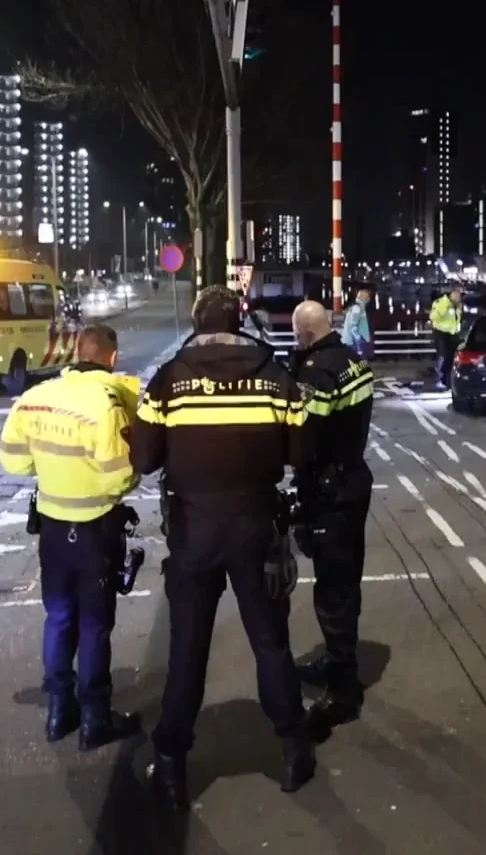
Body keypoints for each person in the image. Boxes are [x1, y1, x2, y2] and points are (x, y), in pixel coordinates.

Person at [132, 285, 314, 808]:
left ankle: (170, 764)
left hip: (192, 529)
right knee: (270, 642)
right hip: (255, 524)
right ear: (240, 320)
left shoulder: (169, 380)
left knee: (187, 649)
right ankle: (293, 747)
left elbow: (144, 458)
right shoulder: (276, 376)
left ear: (196, 321)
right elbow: (301, 449)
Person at [0, 323, 143, 750]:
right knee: (95, 625)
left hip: (52, 529)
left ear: (76, 352)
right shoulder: (107, 403)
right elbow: (118, 478)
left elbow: (13, 463)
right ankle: (95, 718)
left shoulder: (35, 398)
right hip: (96, 528)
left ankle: (60, 712)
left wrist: (52, 471)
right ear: (112, 358)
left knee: (59, 618)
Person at [287, 300, 376, 730]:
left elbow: (305, 440)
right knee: (345, 582)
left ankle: (343, 688)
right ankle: (338, 659)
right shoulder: (352, 361)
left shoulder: (317, 374)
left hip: (330, 493)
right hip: (353, 479)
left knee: (334, 590)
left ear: (304, 334)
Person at [430, 284, 464, 389]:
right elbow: (432, 317)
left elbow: (458, 319)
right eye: (458, 294)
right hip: (441, 333)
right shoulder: (441, 303)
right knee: (442, 357)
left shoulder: (458, 305)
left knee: (453, 358)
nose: (460, 297)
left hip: (453, 334)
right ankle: (438, 380)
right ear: (452, 293)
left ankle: (449, 381)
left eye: (461, 294)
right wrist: (445, 308)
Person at [344, 287, 374, 360]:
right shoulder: (357, 309)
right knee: (359, 364)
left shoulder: (355, 308)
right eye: (367, 297)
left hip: (355, 341)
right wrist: (358, 341)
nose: (369, 299)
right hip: (357, 342)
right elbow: (353, 326)